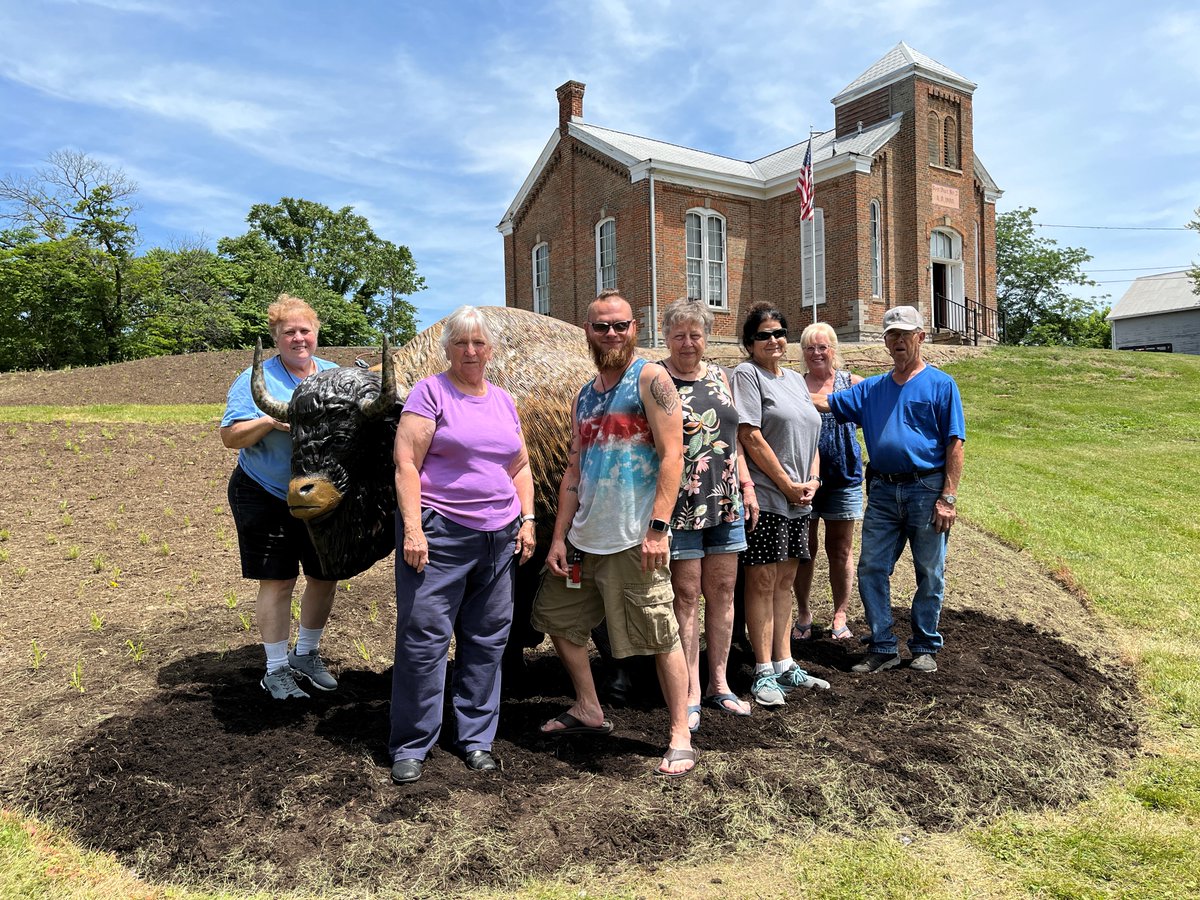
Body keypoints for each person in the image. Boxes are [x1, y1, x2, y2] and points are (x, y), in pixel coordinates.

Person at [532, 289, 696, 778]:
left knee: (661, 635)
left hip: (633, 540)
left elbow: (673, 455)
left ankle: (680, 733)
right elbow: (573, 472)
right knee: (557, 621)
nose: (611, 334)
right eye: (601, 325)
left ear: (634, 329)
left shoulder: (650, 378)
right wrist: (559, 538)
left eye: (620, 325)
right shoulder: (584, 395)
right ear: (587, 330)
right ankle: (588, 707)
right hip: (584, 540)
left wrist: (658, 529)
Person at [389, 306, 537, 784]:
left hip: (499, 538)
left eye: (479, 343)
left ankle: (476, 739)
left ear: (491, 351)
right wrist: (413, 528)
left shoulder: (503, 400)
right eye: (461, 343)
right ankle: (413, 743)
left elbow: (519, 467)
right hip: (440, 533)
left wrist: (528, 519)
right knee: (424, 639)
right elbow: (406, 463)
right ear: (446, 348)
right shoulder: (430, 392)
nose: (470, 351)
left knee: (487, 640)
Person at [811, 305, 965, 674]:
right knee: (871, 568)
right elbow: (825, 402)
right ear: (885, 341)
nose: (898, 342)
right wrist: (772, 392)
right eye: (891, 335)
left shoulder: (941, 385)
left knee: (930, 571)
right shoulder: (873, 389)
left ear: (920, 338)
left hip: (926, 490)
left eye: (905, 334)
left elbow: (954, 443)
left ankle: (925, 644)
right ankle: (882, 645)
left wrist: (948, 497)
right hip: (881, 491)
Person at [221, 294, 341, 700]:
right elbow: (229, 436)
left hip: (320, 494)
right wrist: (270, 420)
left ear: (317, 333)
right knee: (279, 579)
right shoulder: (256, 379)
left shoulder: (332, 374)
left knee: (325, 575)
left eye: (305, 330)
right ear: (276, 337)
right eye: (289, 332)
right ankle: (275, 669)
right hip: (266, 491)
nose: (298, 338)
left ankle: (306, 654)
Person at [659, 298, 759, 729]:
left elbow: (734, 438)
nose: (687, 343)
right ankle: (691, 691)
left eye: (695, 335)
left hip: (725, 501)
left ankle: (719, 683)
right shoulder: (656, 379)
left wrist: (748, 484)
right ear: (667, 338)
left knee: (721, 593)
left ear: (706, 337)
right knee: (685, 598)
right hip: (680, 507)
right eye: (679, 335)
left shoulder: (721, 375)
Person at [734, 303, 831, 707]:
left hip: (800, 498)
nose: (773, 340)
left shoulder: (792, 378)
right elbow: (750, 436)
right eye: (764, 335)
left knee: (786, 582)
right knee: (761, 581)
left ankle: (785, 661)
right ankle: (761, 670)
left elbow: (812, 431)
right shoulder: (747, 375)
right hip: (770, 497)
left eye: (779, 332)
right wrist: (786, 484)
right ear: (749, 342)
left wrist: (811, 480)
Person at [792, 322, 864, 643]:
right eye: (810, 347)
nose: (817, 353)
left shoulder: (852, 384)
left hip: (843, 479)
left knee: (841, 549)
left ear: (834, 350)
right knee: (804, 549)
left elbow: (872, 418)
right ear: (803, 354)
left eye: (823, 347)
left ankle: (840, 614)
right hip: (803, 479)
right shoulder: (793, 384)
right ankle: (804, 612)